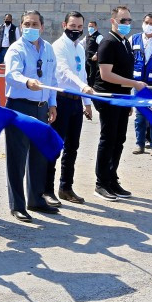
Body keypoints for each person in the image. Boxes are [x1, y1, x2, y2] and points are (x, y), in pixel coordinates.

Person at [3, 10, 58, 222]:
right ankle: (17, 205)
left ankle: (36, 199)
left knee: (39, 155)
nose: (31, 28)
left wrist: (52, 104)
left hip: (42, 108)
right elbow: (11, 75)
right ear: (21, 26)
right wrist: (27, 82)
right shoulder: (16, 49)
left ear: (42, 27)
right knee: (17, 158)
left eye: (35, 24)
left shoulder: (48, 49)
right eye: (27, 24)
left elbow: (51, 79)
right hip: (20, 106)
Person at [93, 6, 147, 200]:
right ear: (113, 21)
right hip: (109, 97)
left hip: (122, 98)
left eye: (129, 21)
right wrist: (134, 84)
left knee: (119, 140)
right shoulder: (108, 42)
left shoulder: (124, 42)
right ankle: (101, 183)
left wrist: (130, 97)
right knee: (108, 139)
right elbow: (106, 74)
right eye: (122, 20)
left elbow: (124, 71)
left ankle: (112, 178)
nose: (126, 24)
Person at [47, 11, 95, 205]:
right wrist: (83, 86)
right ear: (64, 25)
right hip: (61, 100)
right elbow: (64, 72)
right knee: (55, 146)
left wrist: (87, 103)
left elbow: (82, 73)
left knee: (72, 147)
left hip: (76, 101)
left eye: (79, 27)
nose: (76, 30)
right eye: (72, 26)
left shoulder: (80, 48)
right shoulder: (57, 47)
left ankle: (66, 187)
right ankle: (46, 189)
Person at [131, 13, 152, 156]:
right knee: (140, 116)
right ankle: (140, 145)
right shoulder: (134, 38)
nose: (149, 25)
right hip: (138, 83)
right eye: (146, 22)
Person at [85, 19, 104, 86]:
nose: (90, 28)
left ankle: (93, 88)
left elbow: (102, 46)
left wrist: (96, 54)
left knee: (93, 75)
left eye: (92, 26)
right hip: (87, 59)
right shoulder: (87, 36)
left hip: (94, 60)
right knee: (86, 75)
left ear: (96, 27)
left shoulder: (98, 36)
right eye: (89, 26)